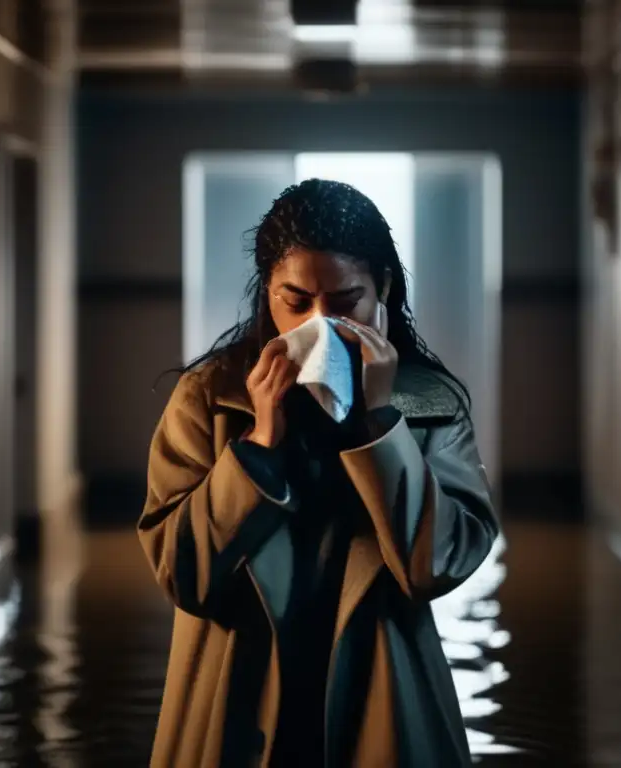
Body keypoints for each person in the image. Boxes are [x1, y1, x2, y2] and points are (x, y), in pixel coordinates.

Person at [139, 178, 499, 768]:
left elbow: (434, 568)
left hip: (379, 690)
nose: (320, 323)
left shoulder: (431, 404)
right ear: (267, 295)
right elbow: (184, 574)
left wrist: (381, 424)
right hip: (235, 696)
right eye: (296, 301)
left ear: (382, 289)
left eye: (346, 301)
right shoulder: (208, 399)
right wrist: (258, 444)